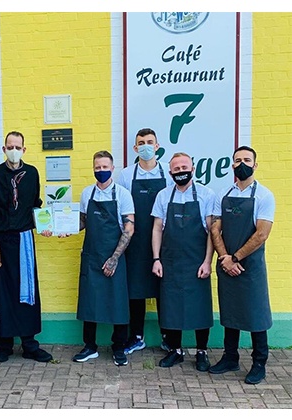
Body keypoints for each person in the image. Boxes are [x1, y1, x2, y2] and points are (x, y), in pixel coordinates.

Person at [0, 131, 53, 364]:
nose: (13, 150)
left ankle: (30, 344)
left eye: (17, 146)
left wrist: (46, 225)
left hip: (24, 240)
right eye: (9, 146)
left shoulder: (31, 173)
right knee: (4, 291)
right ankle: (5, 344)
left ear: (24, 149)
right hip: (0, 241)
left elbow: (36, 206)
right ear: (4, 149)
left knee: (28, 291)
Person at [209, 146, 275, 385]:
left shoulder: (264, 196)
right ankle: (230, 357)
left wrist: (235, 258)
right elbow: (215, 228)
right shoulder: (223, 194)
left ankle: (259, 363)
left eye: (247, 160)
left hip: (251, 266)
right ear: (232, 165)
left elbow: (261, 235)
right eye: (238, 160)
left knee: (256, 313)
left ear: (255, 165)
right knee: (230, 311)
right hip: (227, 263)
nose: (242, 164)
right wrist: (225, 258)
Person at [151, 152, 216, 371]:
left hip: (197, 260)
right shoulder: (163, 196)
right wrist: (156, 259)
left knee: (200, 308)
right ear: (170, 172)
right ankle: (175, 350)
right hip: (169, 261)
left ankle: (201, 351)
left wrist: (207, 261)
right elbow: (157, 229)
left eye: (184, 167)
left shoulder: (207, 195)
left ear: (193, 169)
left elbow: (212, 233)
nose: (181, 172)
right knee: (171, 308)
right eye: (176, 169)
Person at [72, 150, 135, 366]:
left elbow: (129, 229)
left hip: (114, 256)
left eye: (105, 167)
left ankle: (119, 347)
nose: (101, 171)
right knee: (89, 303)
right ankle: (90, 347)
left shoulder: (123, 195)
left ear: (112, 168)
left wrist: (115, 258)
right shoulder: (87, 194)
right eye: (97, 167)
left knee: (118, 303)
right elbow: (83, 222)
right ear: (93, 169)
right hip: (91, 256)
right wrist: (63, 227)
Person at [116, 128, 174, 355]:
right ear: (135, 148)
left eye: (150, 142)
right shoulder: (126, 175)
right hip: (137, 241)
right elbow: (123, 209)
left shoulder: (168, 174)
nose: (146, 146)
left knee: (164, 289)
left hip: (165, 240)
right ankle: (137, 336)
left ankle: (168, 336)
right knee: (136, 290)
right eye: (141, 143)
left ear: (157, 146)